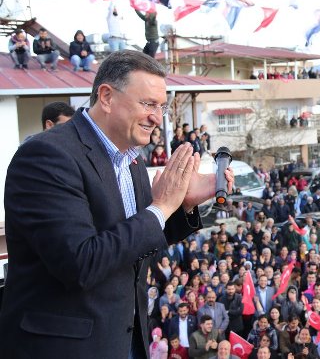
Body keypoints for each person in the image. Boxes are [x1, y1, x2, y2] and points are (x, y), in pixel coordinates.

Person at [0, 50, 234, 358]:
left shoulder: (131, 160)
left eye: (161, 107)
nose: (156, 117)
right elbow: (80, 264)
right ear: (107, 96)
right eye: (148, 103)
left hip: (124, 338)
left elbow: (134, 242)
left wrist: (183, 206)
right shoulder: (47, 156)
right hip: (67, 347)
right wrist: (161, 207)